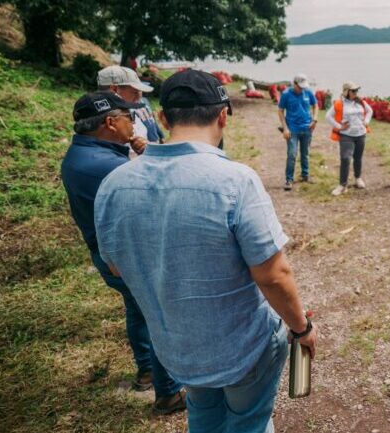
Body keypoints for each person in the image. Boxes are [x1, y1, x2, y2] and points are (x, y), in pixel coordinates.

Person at [94, 70, 318, 433]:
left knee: (203, 414)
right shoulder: (235, 181)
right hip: (244, 349)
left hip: (177, 349)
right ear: (223, 116)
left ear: (163, 118)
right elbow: (274, 275)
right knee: (248, 421)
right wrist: (301, 328)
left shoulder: (113, 185)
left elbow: (117, 267)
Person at [60, 91, 185, 414]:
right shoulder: (105, 165)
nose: (135, 123)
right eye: (129, 117)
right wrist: (148, 156)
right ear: (110, 122)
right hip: (127, 258)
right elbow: (162, 191)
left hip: (111, 254)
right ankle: (169, 393)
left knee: (138, 311)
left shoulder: (86, 154)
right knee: (158, 316)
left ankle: (147, 371)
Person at [98, 65, 165, 148]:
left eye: (140, 92)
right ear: (114, 89)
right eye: (135, 92)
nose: (139, 97)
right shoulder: (102, 123)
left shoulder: (133, 110)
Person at [326, 81, 373, 196]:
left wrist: (366, 121)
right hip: (346, 135)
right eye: (353, 91)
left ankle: (358, 178)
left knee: (358, 158)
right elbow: (328, 116)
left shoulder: (361, 101)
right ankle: (342, 185)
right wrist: (339, 127)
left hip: (360, 134)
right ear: (346, 92)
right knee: (345, 159)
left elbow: (370, 111)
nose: (356, 92)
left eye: (357, 90)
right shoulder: (339, 103)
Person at [279, 73, 318, 191]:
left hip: (307, 128)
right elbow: (280, 111)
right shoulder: (286, 94)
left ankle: (305, 175)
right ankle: (289, 180)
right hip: (292, 129)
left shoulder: (308, 92)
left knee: (305, 153)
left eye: (303, 87)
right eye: (300, 87)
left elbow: (315, 105)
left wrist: (315, 120)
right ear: (294, 84)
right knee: (292, 154)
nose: (302, 89)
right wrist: (285, 128)